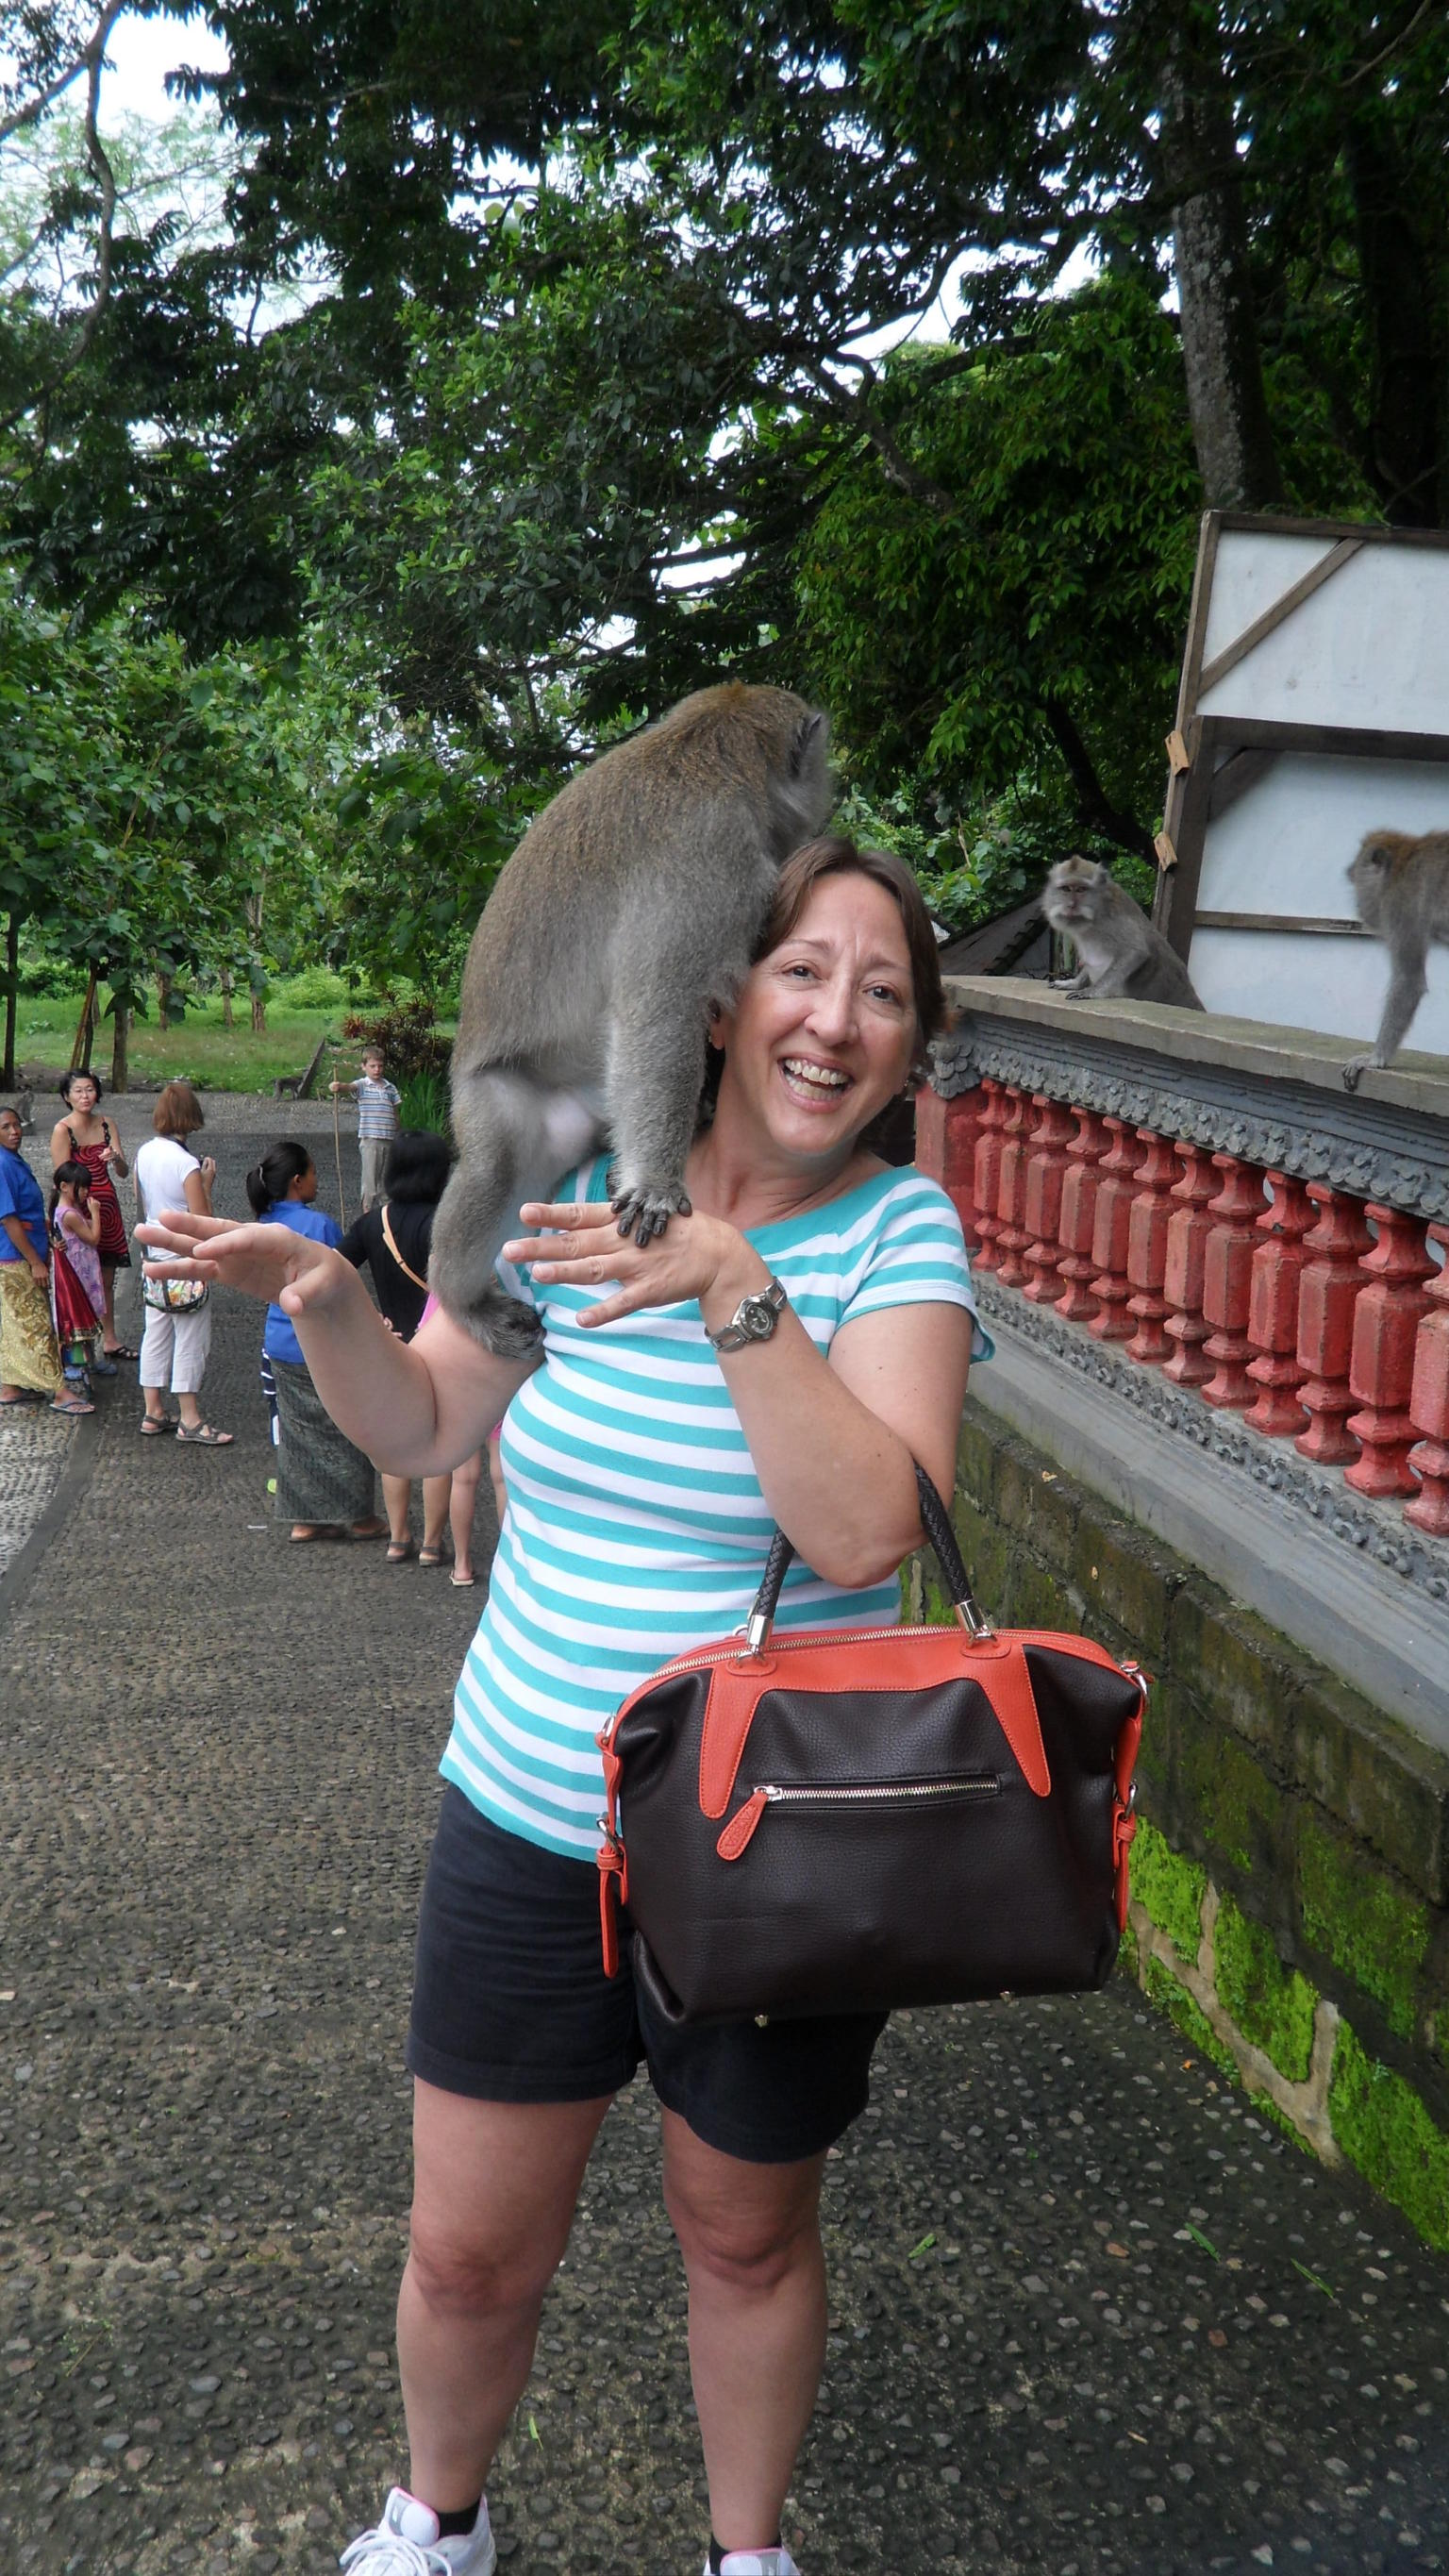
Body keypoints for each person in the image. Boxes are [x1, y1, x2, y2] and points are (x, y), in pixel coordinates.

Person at [139, 839, 988, 2576]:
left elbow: (862, 1527)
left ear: (912, 1048)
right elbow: (431, 1428)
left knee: (742, 2240)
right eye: (804, 973)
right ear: (721, 995)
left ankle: (746, 2554)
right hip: (526, 1815)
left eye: (884, 993)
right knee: (464, 2252)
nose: (837, 1020)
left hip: (773, 1860)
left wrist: (737, 1286)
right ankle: (434, 2519)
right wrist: (327, 1303)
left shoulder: (898, 1231)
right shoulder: (586, 1175)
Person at [338, 1129, 486, 1573]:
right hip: (440, 1347)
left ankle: (398, 1537)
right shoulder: (445, 1226)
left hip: (391, 1343)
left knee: (395, 1444)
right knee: (439, 1444)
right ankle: (431, 1542)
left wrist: (369, 1320)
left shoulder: (372, 1223)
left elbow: (336, 1270)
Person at [246, 1139, 388, 1543]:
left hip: (279, 1337)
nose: (316, 1179)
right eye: (311, 1172)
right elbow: (340, 1280)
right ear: (296, 1181)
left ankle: (304, 1518)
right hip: (321, 1337)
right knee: (346, 1424)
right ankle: (359, 1516)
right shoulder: (320, 1225)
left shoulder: (264, 1225)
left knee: (294, 1429)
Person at [132, 1082, 232, 1444]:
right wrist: (206, 1183)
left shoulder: (144, 1152)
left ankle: (153, 1410)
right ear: (191, 1117)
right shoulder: (185, 1163)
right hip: (183, 1258)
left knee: (155, 1333)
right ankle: (190, 1418)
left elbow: (140, 1200)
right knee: (191, 1337)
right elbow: (200, 1218)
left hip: (153, 1257)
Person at [0, 1104, 84, 1413]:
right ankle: (59, 1390)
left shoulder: (12, 1160)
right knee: (36, 1321)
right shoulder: (2, 1165)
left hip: (22, 1248)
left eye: (16, 1125)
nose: (14, 1131)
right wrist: (35, 1261)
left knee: (13, 1323)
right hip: (16, 1257)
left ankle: (12, 1385)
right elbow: (8, 1219)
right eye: (6, 1127)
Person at [48, 1068, 134, 1364]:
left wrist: (116, 1158)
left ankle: (109, 1339)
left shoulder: (107, 1123)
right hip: (80, 1211)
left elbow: (123, 1173)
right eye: (78, 1091)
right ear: (66, 1097)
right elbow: (62, 1179)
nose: (85, 1096)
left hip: (107, 1208)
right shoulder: (63, 1130)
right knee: (82, 1278)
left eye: (90, 1090)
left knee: (107, 1278)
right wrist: (62, 1225)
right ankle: (82, 1347)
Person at [48, 1161, 106, 1394]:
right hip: (78, 1272)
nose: (85, 1192)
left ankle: (88, 1361)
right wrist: (96, 1213)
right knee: (79, 1317)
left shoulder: (62, 1210)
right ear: (64, 1186)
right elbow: (93, 1238)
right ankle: (77, 1363)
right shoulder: (69, 1214)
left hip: (78, 1269)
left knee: (84, 1318)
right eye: (81, 1188)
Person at [331, 1045, 403, 1213]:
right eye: (372, 1066)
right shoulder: (363, 1085)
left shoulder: (390, 1087)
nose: (377, 1069)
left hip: (389, 1139)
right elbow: (350, 1087)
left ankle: (386, 1217)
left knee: (386, 1181)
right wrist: (338, 1086)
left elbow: (394, 1112)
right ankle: (367, 1214)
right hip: (371, 1139)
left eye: (380, 1066)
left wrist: (398, 1133)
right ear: (364, 1067)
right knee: (370, 1182)